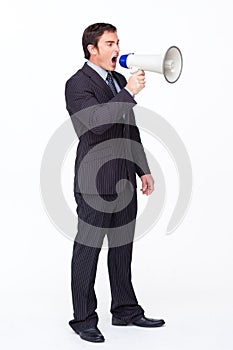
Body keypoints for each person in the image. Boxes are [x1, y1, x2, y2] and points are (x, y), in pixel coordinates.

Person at [65, 22, 165, 343]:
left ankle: (125, 310)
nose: (117, 49)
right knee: (88, 250)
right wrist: (129, 92)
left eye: (118, 42)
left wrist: (142, 169)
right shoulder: (77, 84)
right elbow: (95, 125)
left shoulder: (118, 80)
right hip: (95, 183)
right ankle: (83, 318)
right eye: (109, 44)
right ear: (92, 49)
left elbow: (127, 127)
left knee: (122, 249)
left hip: (123, 180)